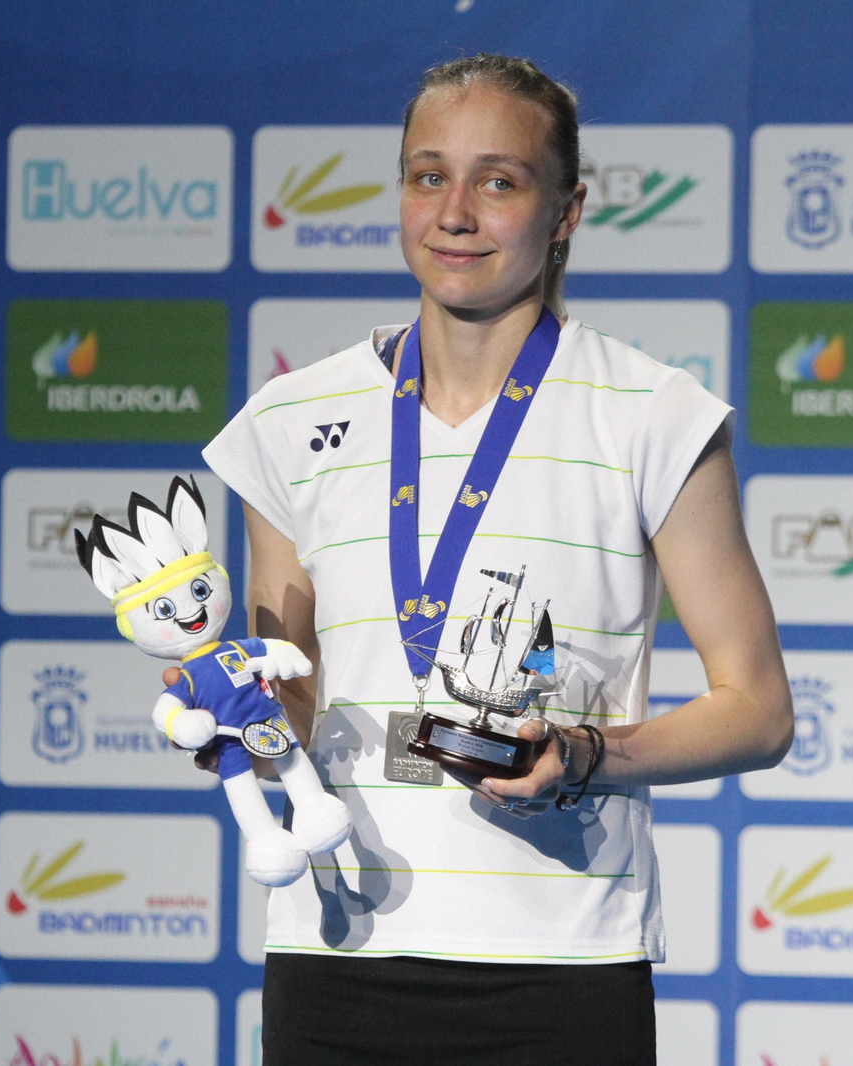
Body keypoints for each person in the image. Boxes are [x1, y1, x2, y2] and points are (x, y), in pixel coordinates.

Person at [196, 53, 793, 1066]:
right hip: (337, 949)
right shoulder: (288, 420)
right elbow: (286, 691)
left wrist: (592, 757)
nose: (454, 212)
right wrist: (232, 712)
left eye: (498, 181)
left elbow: (760, 709)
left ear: (565, 213)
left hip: (559, 962)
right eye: (428, 176)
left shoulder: (652, 416)